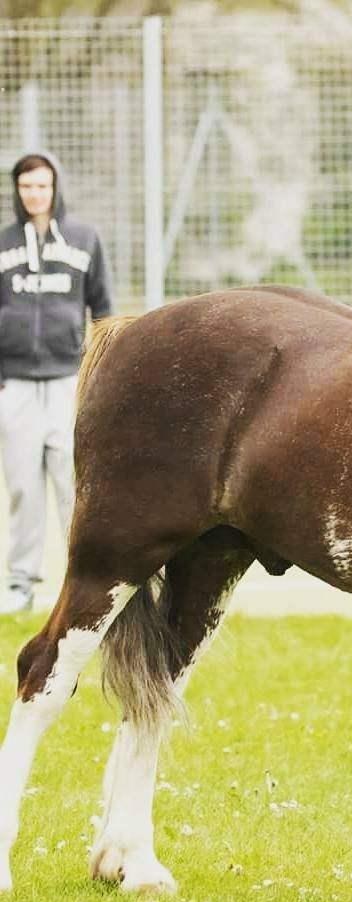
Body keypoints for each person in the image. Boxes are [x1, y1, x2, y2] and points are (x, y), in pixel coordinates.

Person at [0, 152, 112, 614]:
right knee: (23, 488)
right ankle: (19, 583)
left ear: (55, 188)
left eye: (42, 186)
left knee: (73, 487)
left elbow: (103, 310)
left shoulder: (85, 240)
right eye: (27, 186)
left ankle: (79, 581)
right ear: (17, 190)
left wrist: (96, 378)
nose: (35, 194)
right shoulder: (3, 243)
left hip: (68, 383)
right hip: (16, 386)